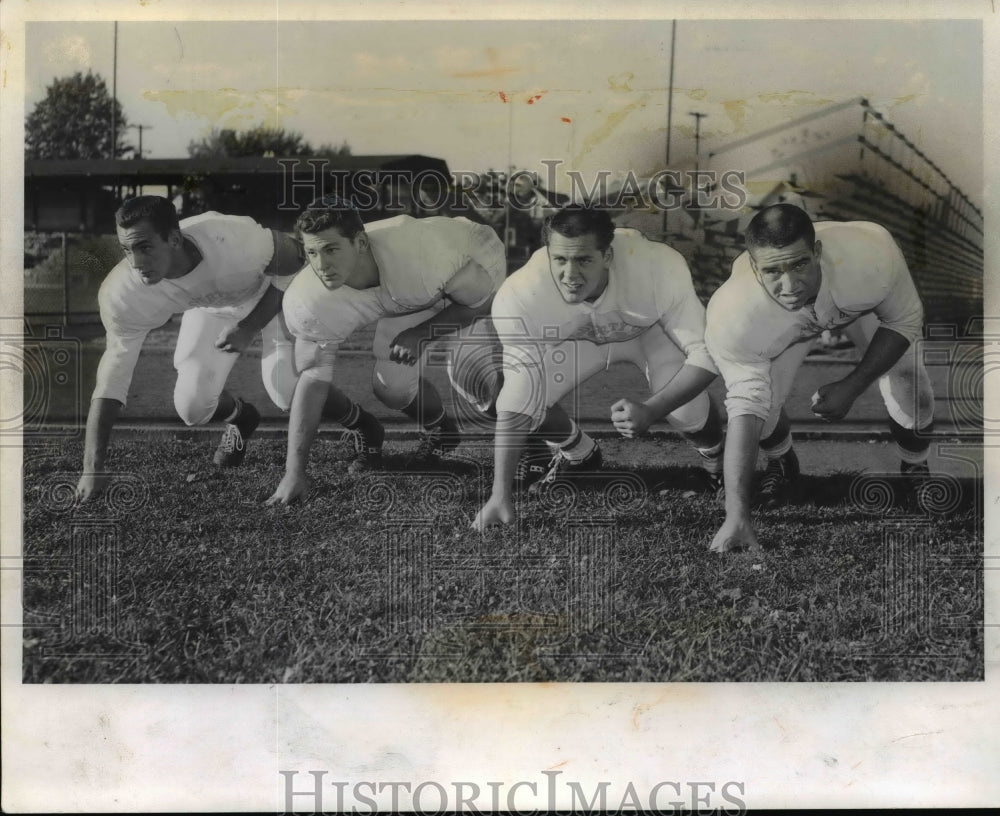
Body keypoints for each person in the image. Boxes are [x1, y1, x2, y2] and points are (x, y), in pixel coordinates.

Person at [472, 206, 725, 531]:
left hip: (650, 333)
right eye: (560, 259)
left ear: (607, 255)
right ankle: (579, 453)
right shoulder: (520, 293)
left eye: (583, 260)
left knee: (687, 411)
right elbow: (518, 399)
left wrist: (651, 409)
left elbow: (708, 355)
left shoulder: (656, 266)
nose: (569, 274)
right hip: (580, 342)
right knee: (519, 399)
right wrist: (499, 495)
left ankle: (717, 466)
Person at [705, 203, 935, 553]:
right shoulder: (734, 312)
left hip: (854, 304)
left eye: (799, 264)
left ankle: (915, 465)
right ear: (753, 267)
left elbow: (903, 321)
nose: (790, 284)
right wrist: (736, 516)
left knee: (912, 388)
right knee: (762, 416)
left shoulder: (869, 257)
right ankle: (783, 462)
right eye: (772, 271)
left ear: (817, 251)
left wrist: (852, 386)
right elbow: (744, 404)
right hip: (786, 324)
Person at [265, 196, 506, 505]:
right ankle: (441, 431)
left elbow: (481, 303)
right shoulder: (309, 297)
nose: (321, 265)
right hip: (410, 291)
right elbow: (312, 380)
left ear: (361, 243)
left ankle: (539, 442)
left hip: (472, 262)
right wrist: (293, 473)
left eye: (331, 249)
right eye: (312, 252)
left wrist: (422, 332)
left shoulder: (424, 255)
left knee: (470, 375)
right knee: (390, 387)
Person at [75, 195, 303, 501]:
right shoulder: (123, 293)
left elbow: (295, 262)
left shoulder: (232, 240)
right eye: (127, 250)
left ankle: (361, 425)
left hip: (272, 295)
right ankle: (241, 417)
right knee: (192, 407)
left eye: (144, 247)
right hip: (212, 308)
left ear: (173, 239)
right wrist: (93, 469)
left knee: (286, 390)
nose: (135, 263)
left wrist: (249, 327)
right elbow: (112, 377)